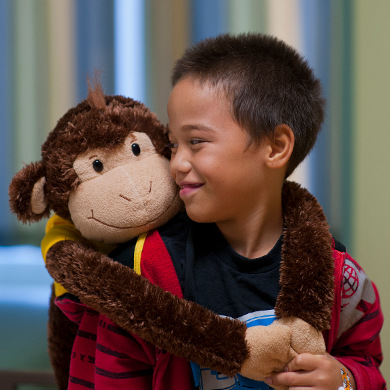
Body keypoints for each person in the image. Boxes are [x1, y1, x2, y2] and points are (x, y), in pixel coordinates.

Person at [44, 33, 385, 389]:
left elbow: (366, 363)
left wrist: (344, 379)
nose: (176, 163)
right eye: (173, 145)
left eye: (196, 142)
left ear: (276, 146)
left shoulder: (339, 277)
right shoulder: (145, 271)